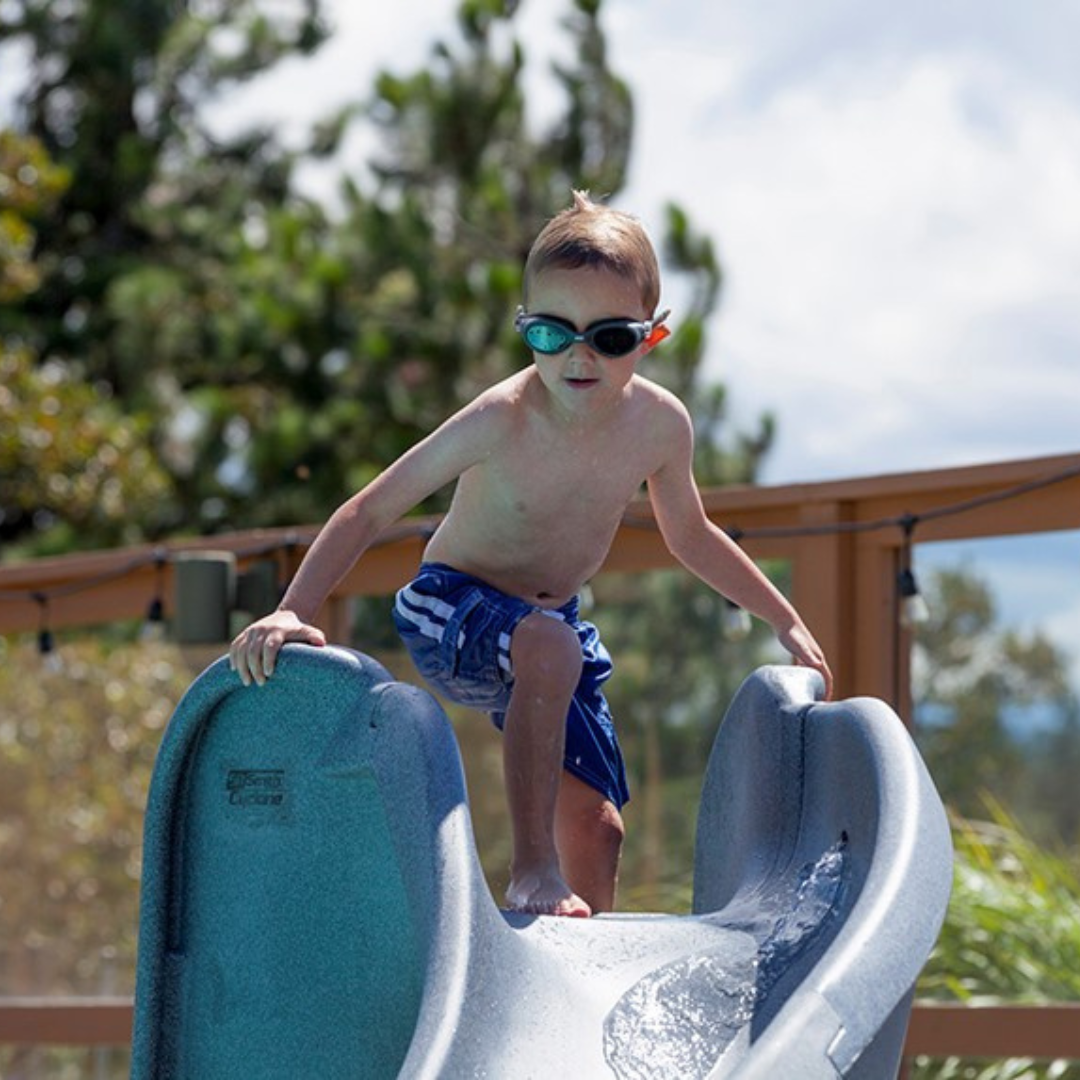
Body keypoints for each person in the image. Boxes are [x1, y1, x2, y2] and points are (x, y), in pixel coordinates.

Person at [229, 191, 833, 919]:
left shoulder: (660, 427)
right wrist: (293, 608)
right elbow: (371, 508)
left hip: (552, 630)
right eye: (553, 334)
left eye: (608, 339)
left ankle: (580, 970)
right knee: (548, 648)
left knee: (599, 828)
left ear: (651, 339)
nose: (578, 356)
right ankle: (529, 872)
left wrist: (786, 620)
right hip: (448, 607)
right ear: (526, 331)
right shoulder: (500, 419)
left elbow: (692, 534)